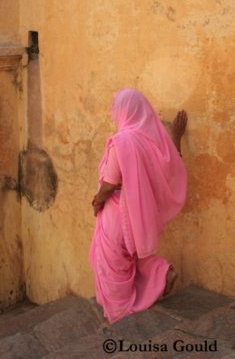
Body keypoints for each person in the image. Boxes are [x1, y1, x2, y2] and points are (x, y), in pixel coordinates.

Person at [88, 89, 187, 325]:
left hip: (117, 212)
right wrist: (176, 137)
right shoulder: (150, 142)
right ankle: (163, 273)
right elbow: (172, 166)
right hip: (139, 214)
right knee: (130, 254)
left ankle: (121, 314)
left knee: (114, 263)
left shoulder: (120, 142)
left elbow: (111, 182)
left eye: (116, 108)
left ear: (124, 111)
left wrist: (97, 200)